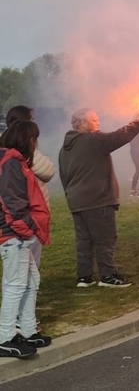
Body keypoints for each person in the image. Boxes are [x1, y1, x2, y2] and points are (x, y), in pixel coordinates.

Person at [58, 108, 139, 288]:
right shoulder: (93, 140)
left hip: (76, 201)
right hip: (97, 199)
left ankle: (84, 278)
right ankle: (108, 276)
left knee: (84, 241)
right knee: (105, 238)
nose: (98, 123)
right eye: (94, 120)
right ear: (82, 123)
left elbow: (63, 176)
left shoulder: (65, 148)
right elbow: (120, 136)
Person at [0, 120, 52, 359]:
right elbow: (13, 202)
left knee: (30, 281)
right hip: (15, 235)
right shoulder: (11, 162)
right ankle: (5, 337)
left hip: (17, 234)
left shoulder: (10, 160)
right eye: (34, 139)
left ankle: (28, 330)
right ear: (28, 140)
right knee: (16, 285)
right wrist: (28, 229)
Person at [1, 107, 54, 268]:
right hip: (24, 220)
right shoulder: (16, 154)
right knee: (21, 277)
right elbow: (47, 171)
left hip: (21, 220)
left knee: (26, 276)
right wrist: (29, 227)